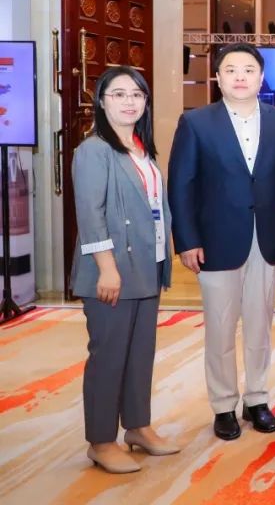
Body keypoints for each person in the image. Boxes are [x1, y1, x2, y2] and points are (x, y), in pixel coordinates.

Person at [169, 43, 275, 441]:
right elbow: (181, 186)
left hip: (268, 237)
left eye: (249, 70)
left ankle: (257, 398)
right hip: (215, 241)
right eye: (231, 70)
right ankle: (224, 405)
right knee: (220, 328)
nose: (240, 77)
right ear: (217, 77)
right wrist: (187, 240)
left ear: (261, 78)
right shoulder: (195, 123)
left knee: (260, 326)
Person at [72, 66, 180, 473]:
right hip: (112, 271)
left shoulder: (140, 148)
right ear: (102, 102)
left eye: (136, 94)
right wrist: (107, 268)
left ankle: (137, 426)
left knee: (139, 354)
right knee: (109, 356)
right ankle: (101, 441)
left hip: (146, 266)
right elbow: (91, 215)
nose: (129, 101)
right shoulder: (94, 150)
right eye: (118, 94)